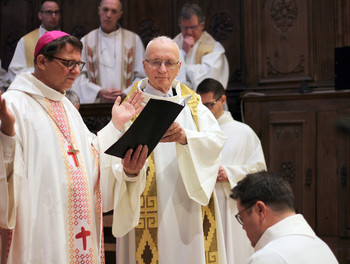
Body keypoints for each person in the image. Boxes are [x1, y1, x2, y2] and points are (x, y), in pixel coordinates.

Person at [0, 30, 149, 263]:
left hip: (79, 225)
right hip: (41, 226)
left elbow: (90, 156)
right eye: (68, 63)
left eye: (78, 64)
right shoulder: (15, 105)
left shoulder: (67, 107)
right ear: (41, 61)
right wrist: (6, 136)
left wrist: (115, 125)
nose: (77, 71)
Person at [116, 36, 227, 264]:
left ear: (179, 67)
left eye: (169, 63)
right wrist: (129, 171)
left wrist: (186, 137)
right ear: (144, 65)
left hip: (189, 204)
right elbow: (112, 159)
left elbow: (216, 141)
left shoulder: (193, 104)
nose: (162, 69)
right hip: (143, 205)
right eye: (155, 62)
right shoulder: (129, 107)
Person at [197, 78, 267, 264]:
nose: (205, 111)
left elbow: (260, 171)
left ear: (223, 100)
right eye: (200, 106)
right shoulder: (195, 134)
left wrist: (229, 173)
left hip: (231, 206)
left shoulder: (243, 132)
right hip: (202, 207)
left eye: (209, 105)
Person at [230, 171, 339, 264]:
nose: (243, 227)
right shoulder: (322, 247)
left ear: (260, 209)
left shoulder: (268, 257)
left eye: (242, 218)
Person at [72, 0, 146, 104]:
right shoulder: (87, 41)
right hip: (95, 110)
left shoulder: (134, 40)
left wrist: (126, 93)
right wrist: (98, 92)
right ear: (99, 11)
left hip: (126, 104)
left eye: (114, 11)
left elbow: (142, 75)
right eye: (105, 10)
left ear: (120, 14)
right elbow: (77, 76)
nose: (108, 15)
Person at [173, 3, 229, 91]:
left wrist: (184, 68)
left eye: (193, 27)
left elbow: (208, 77)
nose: (189, 32)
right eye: (184, 27)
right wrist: (183, 52)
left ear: (202, 25)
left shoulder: (214, 48)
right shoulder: (172, 44)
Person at [8, 0, 61, 81]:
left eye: (56, 12)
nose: (53, 16)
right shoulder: (25, 41)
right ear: (40, 15)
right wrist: (42, 74)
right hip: (34, 89)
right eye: (49, 12)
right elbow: (15, 70)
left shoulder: (67, 40)